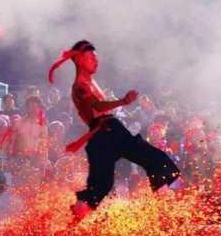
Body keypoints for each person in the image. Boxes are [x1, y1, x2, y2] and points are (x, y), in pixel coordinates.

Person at [48, 40, 180, 222]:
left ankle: (70, 222)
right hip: (106, 132)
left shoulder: (89, 82)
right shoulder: (80, 85)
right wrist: (122, 102)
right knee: (151, 160)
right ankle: (164, 202)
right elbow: (97, 106)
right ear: (79, 60)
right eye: (90, 57)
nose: (96, 60)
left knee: (101, 185)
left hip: (103, 134)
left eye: (96, 56)